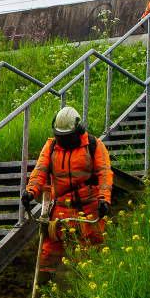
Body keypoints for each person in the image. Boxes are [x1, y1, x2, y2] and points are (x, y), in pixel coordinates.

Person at [21, 106, 112, 283]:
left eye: (66, 136)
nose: (62, 140)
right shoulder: (51, 147)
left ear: (79, 131)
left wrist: (104, 199)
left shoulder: (94, 146)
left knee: (91, 243)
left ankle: (88, 284)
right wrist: (31, 191)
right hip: (61, 206)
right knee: (50, 244)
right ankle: (43, 284)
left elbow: (105, 174)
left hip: (88, 204)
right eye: (59, 136)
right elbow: (40, 171)